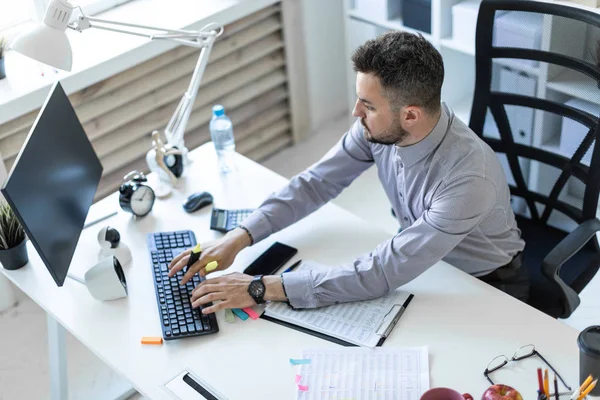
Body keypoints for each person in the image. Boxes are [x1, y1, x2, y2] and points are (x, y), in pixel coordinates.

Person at [168, 31, 528, 314]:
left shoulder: (468, 179)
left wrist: (260, 287)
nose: (356, 112)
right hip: (422, 260)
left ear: (411, 115)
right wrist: (241, 235)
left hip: (483, 282)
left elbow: (383, 272)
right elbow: (315, 184)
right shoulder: (377, 128)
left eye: (368, 105)